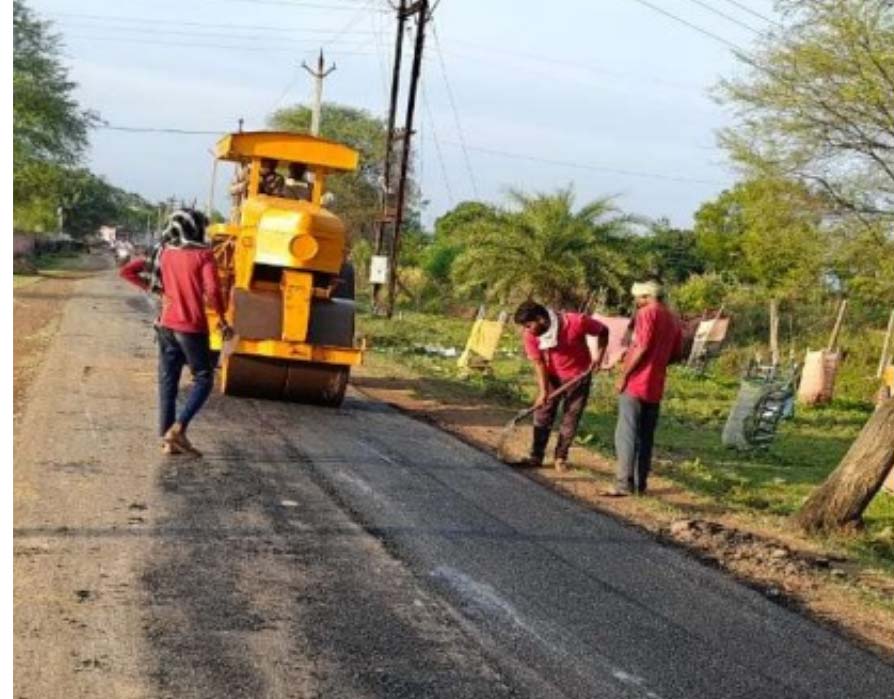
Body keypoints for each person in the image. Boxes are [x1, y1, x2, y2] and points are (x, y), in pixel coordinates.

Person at [120, 209, 233, 457]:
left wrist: (157, 290)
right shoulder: (203, 255)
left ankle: (167, 441)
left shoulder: (163, 253)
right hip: (191, 327)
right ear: (195, 229)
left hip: (165, 326)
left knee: (168, 384)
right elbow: (213, 292)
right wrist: (223, 319)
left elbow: (126, 271)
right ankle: (178, 429)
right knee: (203, 379)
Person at [604, 280, 682, 497]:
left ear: (646, 297)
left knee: (626, 433)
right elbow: (677, 352)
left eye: (638, 297)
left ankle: (623, 484)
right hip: (656, 384)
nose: (636, 301)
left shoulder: (647, 313)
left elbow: (642, 345)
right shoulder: (673, 318)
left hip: (637, 383)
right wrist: (658, 361)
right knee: (646, 436)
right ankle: (641, 485)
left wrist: (624, 374)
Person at [514, 300, 608, 472]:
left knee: (571, 417)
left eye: (529, 325)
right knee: (542, 414)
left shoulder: (575, 322)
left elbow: (603, 331)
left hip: (578, 377)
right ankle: (536, 455)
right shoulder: (530, 336)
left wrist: (598, 358)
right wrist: (543, 392)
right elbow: (539, 363)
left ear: (541, 319)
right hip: (551, 376)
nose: (526, 330)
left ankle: (560, 457)